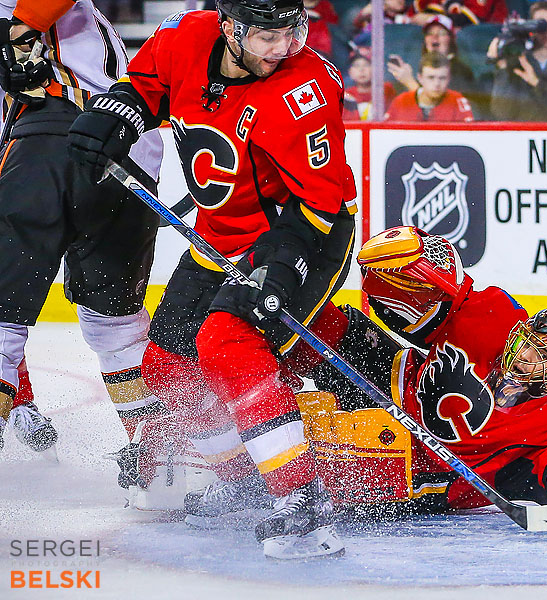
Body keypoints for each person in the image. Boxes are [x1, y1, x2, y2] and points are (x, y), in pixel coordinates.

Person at [67, 0, 357, 559]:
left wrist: (280, 266)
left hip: (302, 232)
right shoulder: (184, 35)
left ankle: (302, 498)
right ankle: (242, 482)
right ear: (229, 28)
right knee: (166, 365)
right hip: (219, 235)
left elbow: (319, 201)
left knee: (227, 341)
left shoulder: (306, 89)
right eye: (266, 35)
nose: (281, 48)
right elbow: (146, 87)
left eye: (290, 32)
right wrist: (114, 116)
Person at [183, 226, 547, 528]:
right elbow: (458, 307)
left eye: (543, 358)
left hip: (417, 475)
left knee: (324, 445)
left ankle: (250, 482)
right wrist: (419, 270)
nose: (525, 358)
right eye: (529, 344)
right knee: (307, 328)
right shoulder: (496, 320)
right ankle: (238, 458)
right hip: (399, 388)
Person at [0, 0, 165, 455]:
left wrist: (20, 27)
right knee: (117, 328)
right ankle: (157, 456)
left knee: (2, 320)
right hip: (135, 152)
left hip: (47, 140)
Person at [385, 14, 480, 114]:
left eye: (441, 33)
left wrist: (410, 83)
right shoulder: (415, 65)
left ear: (451, 39)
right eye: (430, 33)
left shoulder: (460, 71)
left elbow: (445, 108)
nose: (435, 37)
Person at [385, 52, 474, 121]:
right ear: (420, 78)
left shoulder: (457, 102)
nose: (437, 84)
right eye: (431, 78)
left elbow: (469, 135)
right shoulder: (401, 101)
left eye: (442, 78)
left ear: (449, 79)